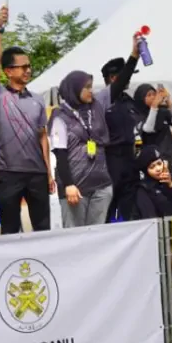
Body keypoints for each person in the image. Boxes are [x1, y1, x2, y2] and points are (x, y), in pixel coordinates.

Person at [0, 6, 54, 233]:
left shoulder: (37, 99)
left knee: (43, 227)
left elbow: (43, 136)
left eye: (29, 66)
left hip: (37, 173)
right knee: (10, 229)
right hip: (9, 173)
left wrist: (48, 173)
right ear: (8, 71)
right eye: (23, 66)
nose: (28, 70)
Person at [49, 70, 114, 228]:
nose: (91, 91)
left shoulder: (94, 109)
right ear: (74, 89)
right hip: (76, 189)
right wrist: (68, 185)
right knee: (75, 237)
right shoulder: (60, 116)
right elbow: (61, 154)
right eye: (87, 87)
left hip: (101, 185)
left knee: (97, 234)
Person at [97, 37, 143, 222]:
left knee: (131, 206)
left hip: (130, 157)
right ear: (114, 78)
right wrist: (134, 56)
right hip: (111, 158)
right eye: (126, 76)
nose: (129, 79)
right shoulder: (102, 99)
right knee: (110, 204)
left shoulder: (128, 100)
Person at [134, 83, 172, 189]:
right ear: (141, 98)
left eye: (154, 94)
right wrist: (154, 107)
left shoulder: (162, 112)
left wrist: (168, 101)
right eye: (149, 95)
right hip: (154, 165)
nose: (153, 97)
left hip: (170, 159)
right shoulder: (137, 115)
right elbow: (148, 129)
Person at [132, 146, 172, 219]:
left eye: (159, 164)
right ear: (146, 171)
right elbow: (149, 217)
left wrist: (171, 185)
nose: (158, 169)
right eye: (152, 167)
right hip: (161, 227)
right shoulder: (144, 189)